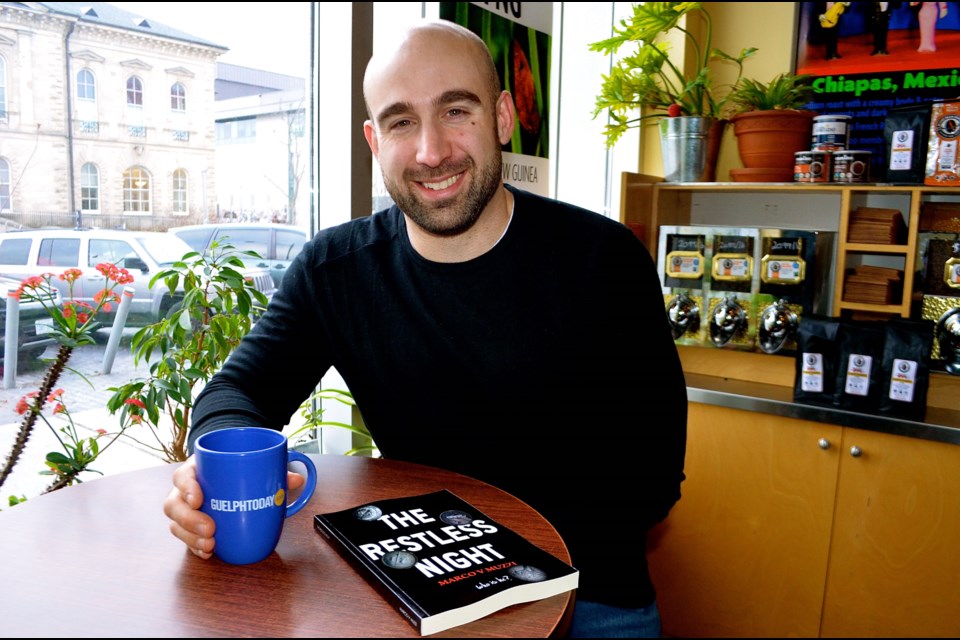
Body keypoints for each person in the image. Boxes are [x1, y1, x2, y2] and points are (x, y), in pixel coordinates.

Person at [163, 19, 687, 638]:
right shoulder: (335, 270)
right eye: (401, 121)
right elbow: (236, 394)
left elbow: (654, 478)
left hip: (595, 598)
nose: (431, 151)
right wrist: (214, 475)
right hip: (425, 597)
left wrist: (491, 549)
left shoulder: (604, 259)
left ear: (502, 117)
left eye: (456, 111)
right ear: (374, 140)